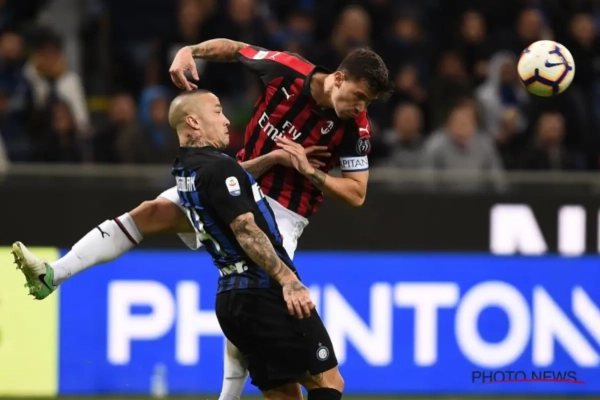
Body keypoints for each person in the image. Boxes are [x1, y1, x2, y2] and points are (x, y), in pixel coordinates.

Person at [11, 38, 390, 400]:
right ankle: (52, 276)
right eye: (358, 96)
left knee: (252, 290)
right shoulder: (287, 70)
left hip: (283, 214)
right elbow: (235, 49)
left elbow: (356, 193)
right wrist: (189, 50)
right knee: (150, 212)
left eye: (368, 102)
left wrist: (309, 171)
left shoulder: (355, 128)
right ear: (338, 78)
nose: (360, 108)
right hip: (236, 181)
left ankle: (229, 395)